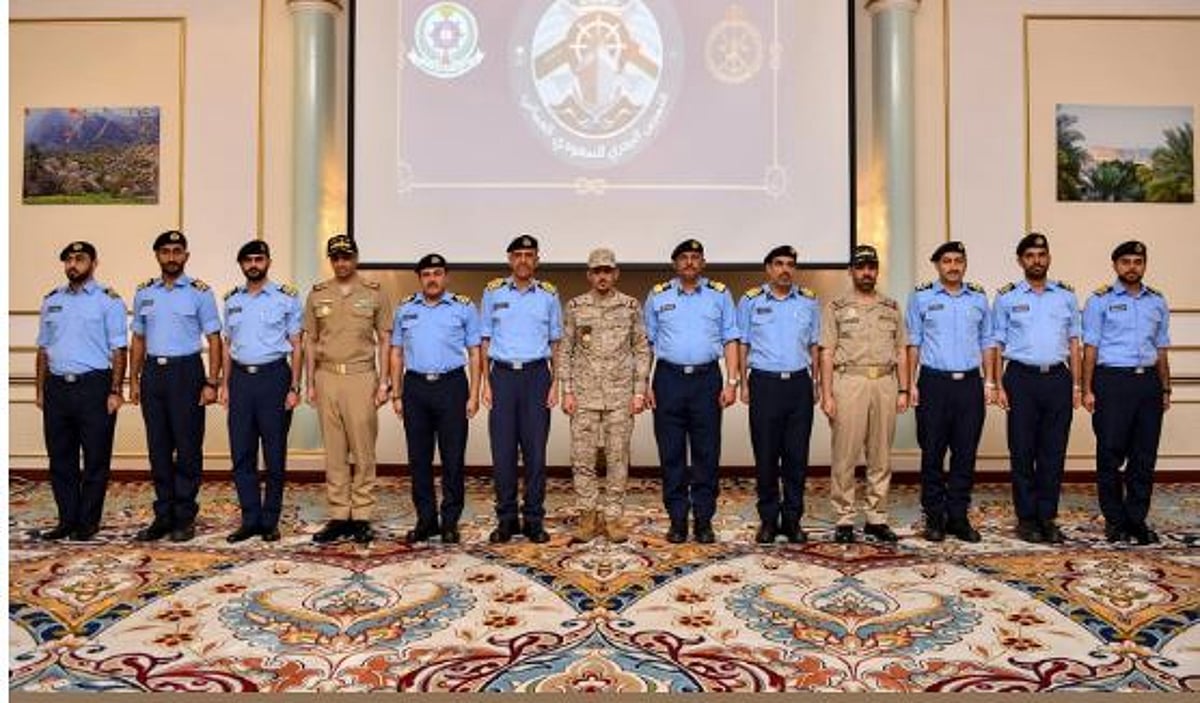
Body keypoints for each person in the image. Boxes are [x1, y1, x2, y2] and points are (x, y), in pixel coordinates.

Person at [644, 238, 740, 544]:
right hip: (668, 379)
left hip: (706, 380)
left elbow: (731, 339)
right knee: (671, 454)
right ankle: (677, 520)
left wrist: (732, 382)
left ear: (703, 263)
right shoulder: (658, 295)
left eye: (695, 257)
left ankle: (703, 520)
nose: (689, 262)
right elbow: (647, 343)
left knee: (706, 454)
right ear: (675, 264)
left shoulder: (720, 294)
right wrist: (644, 383)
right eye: (684, 257)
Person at [129, 230, 222, 543]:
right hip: (153, 374)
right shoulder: (144, 292)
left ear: (186, 256)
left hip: (187, 372)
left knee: (187, 447)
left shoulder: (200, 292)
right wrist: (133, 379)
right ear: (157, 256)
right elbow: (138, 338)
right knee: (158, 448)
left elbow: (214, 339)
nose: (171, 257)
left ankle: (184, 516)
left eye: (177, 251)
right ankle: (163, 515)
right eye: (165, 251)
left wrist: (212, 381)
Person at [34, 241, 127, 541]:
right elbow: (43, 349)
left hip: (94, 387)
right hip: (57, 388)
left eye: (80, 259)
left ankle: (88, 521)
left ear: (94, 263)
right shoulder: (52, 300)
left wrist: (115, 390)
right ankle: (67, 520)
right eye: (69, 260)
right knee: (60, 458)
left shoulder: (108, 301)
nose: (73, 264)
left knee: (95, 459)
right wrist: (40, 389)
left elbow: (119, 349)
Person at [992, 232, 1081, 544]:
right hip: (1021, 379)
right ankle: (1027, 518)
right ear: (1020, 261)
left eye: (1041, 255)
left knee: (1053, 452)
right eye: (1030, 256)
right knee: (1022, 451)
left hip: (1058, 378)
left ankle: (1047, 517)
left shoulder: (1066, 296)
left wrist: (1077, 384)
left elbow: (1074, 343)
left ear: (1049, 258)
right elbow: (996, 343)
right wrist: (997, 384)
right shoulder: (1007, 297)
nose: (1037, 261)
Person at [558, 248, 651, 544]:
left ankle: (612, 517)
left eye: (607, 271)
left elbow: (641, 349)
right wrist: (567, 391)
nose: (602, 276)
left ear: (616, 274)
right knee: (582, 459)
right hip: (584, 396)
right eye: (597, 271)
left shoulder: (630, 306)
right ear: (589, 275)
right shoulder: (575, 307)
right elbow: (565, 350)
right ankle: (587, 515)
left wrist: (639, 392)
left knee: (617, 458)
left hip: (620, 396)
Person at [303, 234, 392, 544]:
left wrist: (384, 381)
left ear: (356, 258)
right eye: (336, 258)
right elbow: (310, 340)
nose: (341, 263)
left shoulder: (374, 293)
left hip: (361, 377)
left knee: (363, 450)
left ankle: (362, 515)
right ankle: (340, 514)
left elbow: (385, 340)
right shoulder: (317, 294)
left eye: (346, 257)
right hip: (327, 376)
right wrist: (310, 382)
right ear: (331, 260)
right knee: (335, 451)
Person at [1082, 240, 1171, 545]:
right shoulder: (1099, 300)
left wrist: (1165, 388)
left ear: (1144, 264)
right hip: (1112, 382)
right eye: (1126, 262)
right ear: (1116, 265)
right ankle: (1115, 521)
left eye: (1138, 261)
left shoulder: (1157, 301)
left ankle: (1136, 519)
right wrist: (1087, 388)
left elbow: (1161, 349)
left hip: (1148, 384)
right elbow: (1090, 348)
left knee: (1144, 455)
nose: (1132, 267)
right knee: (1110, 453)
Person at [905, 241, 996, 543]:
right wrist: (910, 384)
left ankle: (958, 516)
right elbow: (914, 343)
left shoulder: (979, 298)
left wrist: (989, 381)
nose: (953, 266)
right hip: (934, 384)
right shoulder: (921, 297)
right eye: (947, 261)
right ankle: (934, 517)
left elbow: (987, 342)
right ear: (937, 265)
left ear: (965, 264)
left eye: (958, 260)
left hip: (969, 385)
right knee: (932, 452)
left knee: (965, 453)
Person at [819, 244, 910, 544]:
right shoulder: (836, 307)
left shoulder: (891, 307)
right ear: (851, 271)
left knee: (880, 455)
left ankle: (876, 518)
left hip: (884, 382)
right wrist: (827, 394)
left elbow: (901, 350)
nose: (866, 272)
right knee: (845, 455)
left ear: (877, 271)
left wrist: (904, 389)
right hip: (849, 382)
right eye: (860, 268)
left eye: (871, 267)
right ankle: (844, 518)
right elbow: (827, 352)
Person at [389, 253, 482, 545]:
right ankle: (426, 521)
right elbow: (396, 353)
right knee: (419, 459)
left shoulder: (464, 307)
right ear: (420, 278)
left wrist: (474, 394)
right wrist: (396, 393)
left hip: (452, 386)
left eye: (437, 273)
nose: (432, 279)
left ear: (446, 276)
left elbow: (475, 353)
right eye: (427, 274)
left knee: (453, 458)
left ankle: (450, 522)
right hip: (415, 387)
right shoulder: (405, 308)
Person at [218, 240, 302, 543]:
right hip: (241, 381)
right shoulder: (232, 300)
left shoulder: (286, 298)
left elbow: (297, 345)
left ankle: (270, 521)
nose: (253, 264)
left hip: (274, 379)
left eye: (259, 259)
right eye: (248, 260)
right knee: (241, 452)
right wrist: (225, 384)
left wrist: (294, 386)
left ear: (268, 262)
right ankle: (250, 519)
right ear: (241, 264)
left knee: (274, 453)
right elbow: (227, 345)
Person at [480, 234, 562, 544]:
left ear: (537, 260)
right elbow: (484, 340)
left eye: (529, 255)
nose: (523, 260)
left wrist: (556, 383)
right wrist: (486, 383)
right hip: (502, 377)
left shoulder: (549, 295)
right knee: (502, 454)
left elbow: (556, 342)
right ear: (510, 259)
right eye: (518, 255)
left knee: (535, 454)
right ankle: (506, 520)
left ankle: (534, 520)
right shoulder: (492, 292)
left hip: (536, 377)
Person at [736, 245, 820, 544]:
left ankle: (793, 520)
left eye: (790, 264)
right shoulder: (750, 301)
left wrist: (816, 382)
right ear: (768, 268)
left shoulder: (808, 301)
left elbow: (814, 345)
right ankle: (769, 521)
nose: (785, 269)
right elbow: (743, 344)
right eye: (779, 264)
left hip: (798, 384)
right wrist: (742, 383)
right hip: (764, 384)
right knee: (766, 456)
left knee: (797, 457)